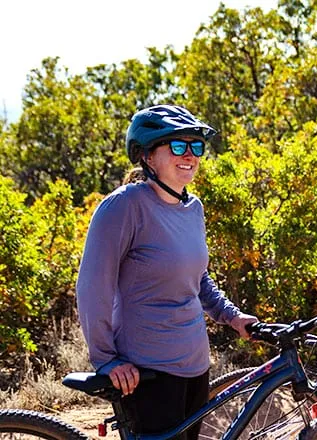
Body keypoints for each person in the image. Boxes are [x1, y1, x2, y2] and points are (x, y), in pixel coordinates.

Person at [76, 104, 258, 439]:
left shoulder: (193, 208)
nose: (189, 154)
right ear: (147, 156)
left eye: (196, 146)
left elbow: (198, 279)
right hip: (147, 372)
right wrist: (105, 359)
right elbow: (92, 287)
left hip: (195, 366)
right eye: (177, 146)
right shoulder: (123, 207)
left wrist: (232, 317)